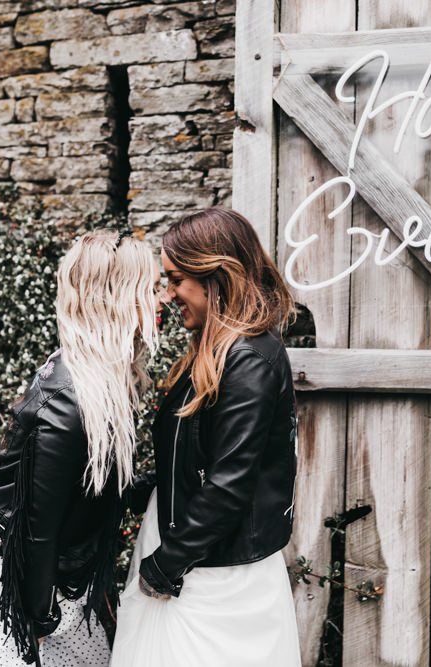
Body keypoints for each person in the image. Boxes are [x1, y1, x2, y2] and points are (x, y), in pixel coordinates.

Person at [0, 229, 165, 666]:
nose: (163, 300)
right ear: (119, 296)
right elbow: (37, 529)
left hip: (44, 578)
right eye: (152, 288)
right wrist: (42, 618)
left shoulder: (103, 380)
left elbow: (99, 490)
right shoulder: (71, 396)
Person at [111, 206, 303, 667]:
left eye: (177, 279)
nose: (170, 293)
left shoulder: (250, 359)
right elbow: (194, 454)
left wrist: (165, 566)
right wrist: (137, 491)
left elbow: (230, 481)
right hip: (185, 552)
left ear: (214, 276)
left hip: (215, 577)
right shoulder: (214, 351)